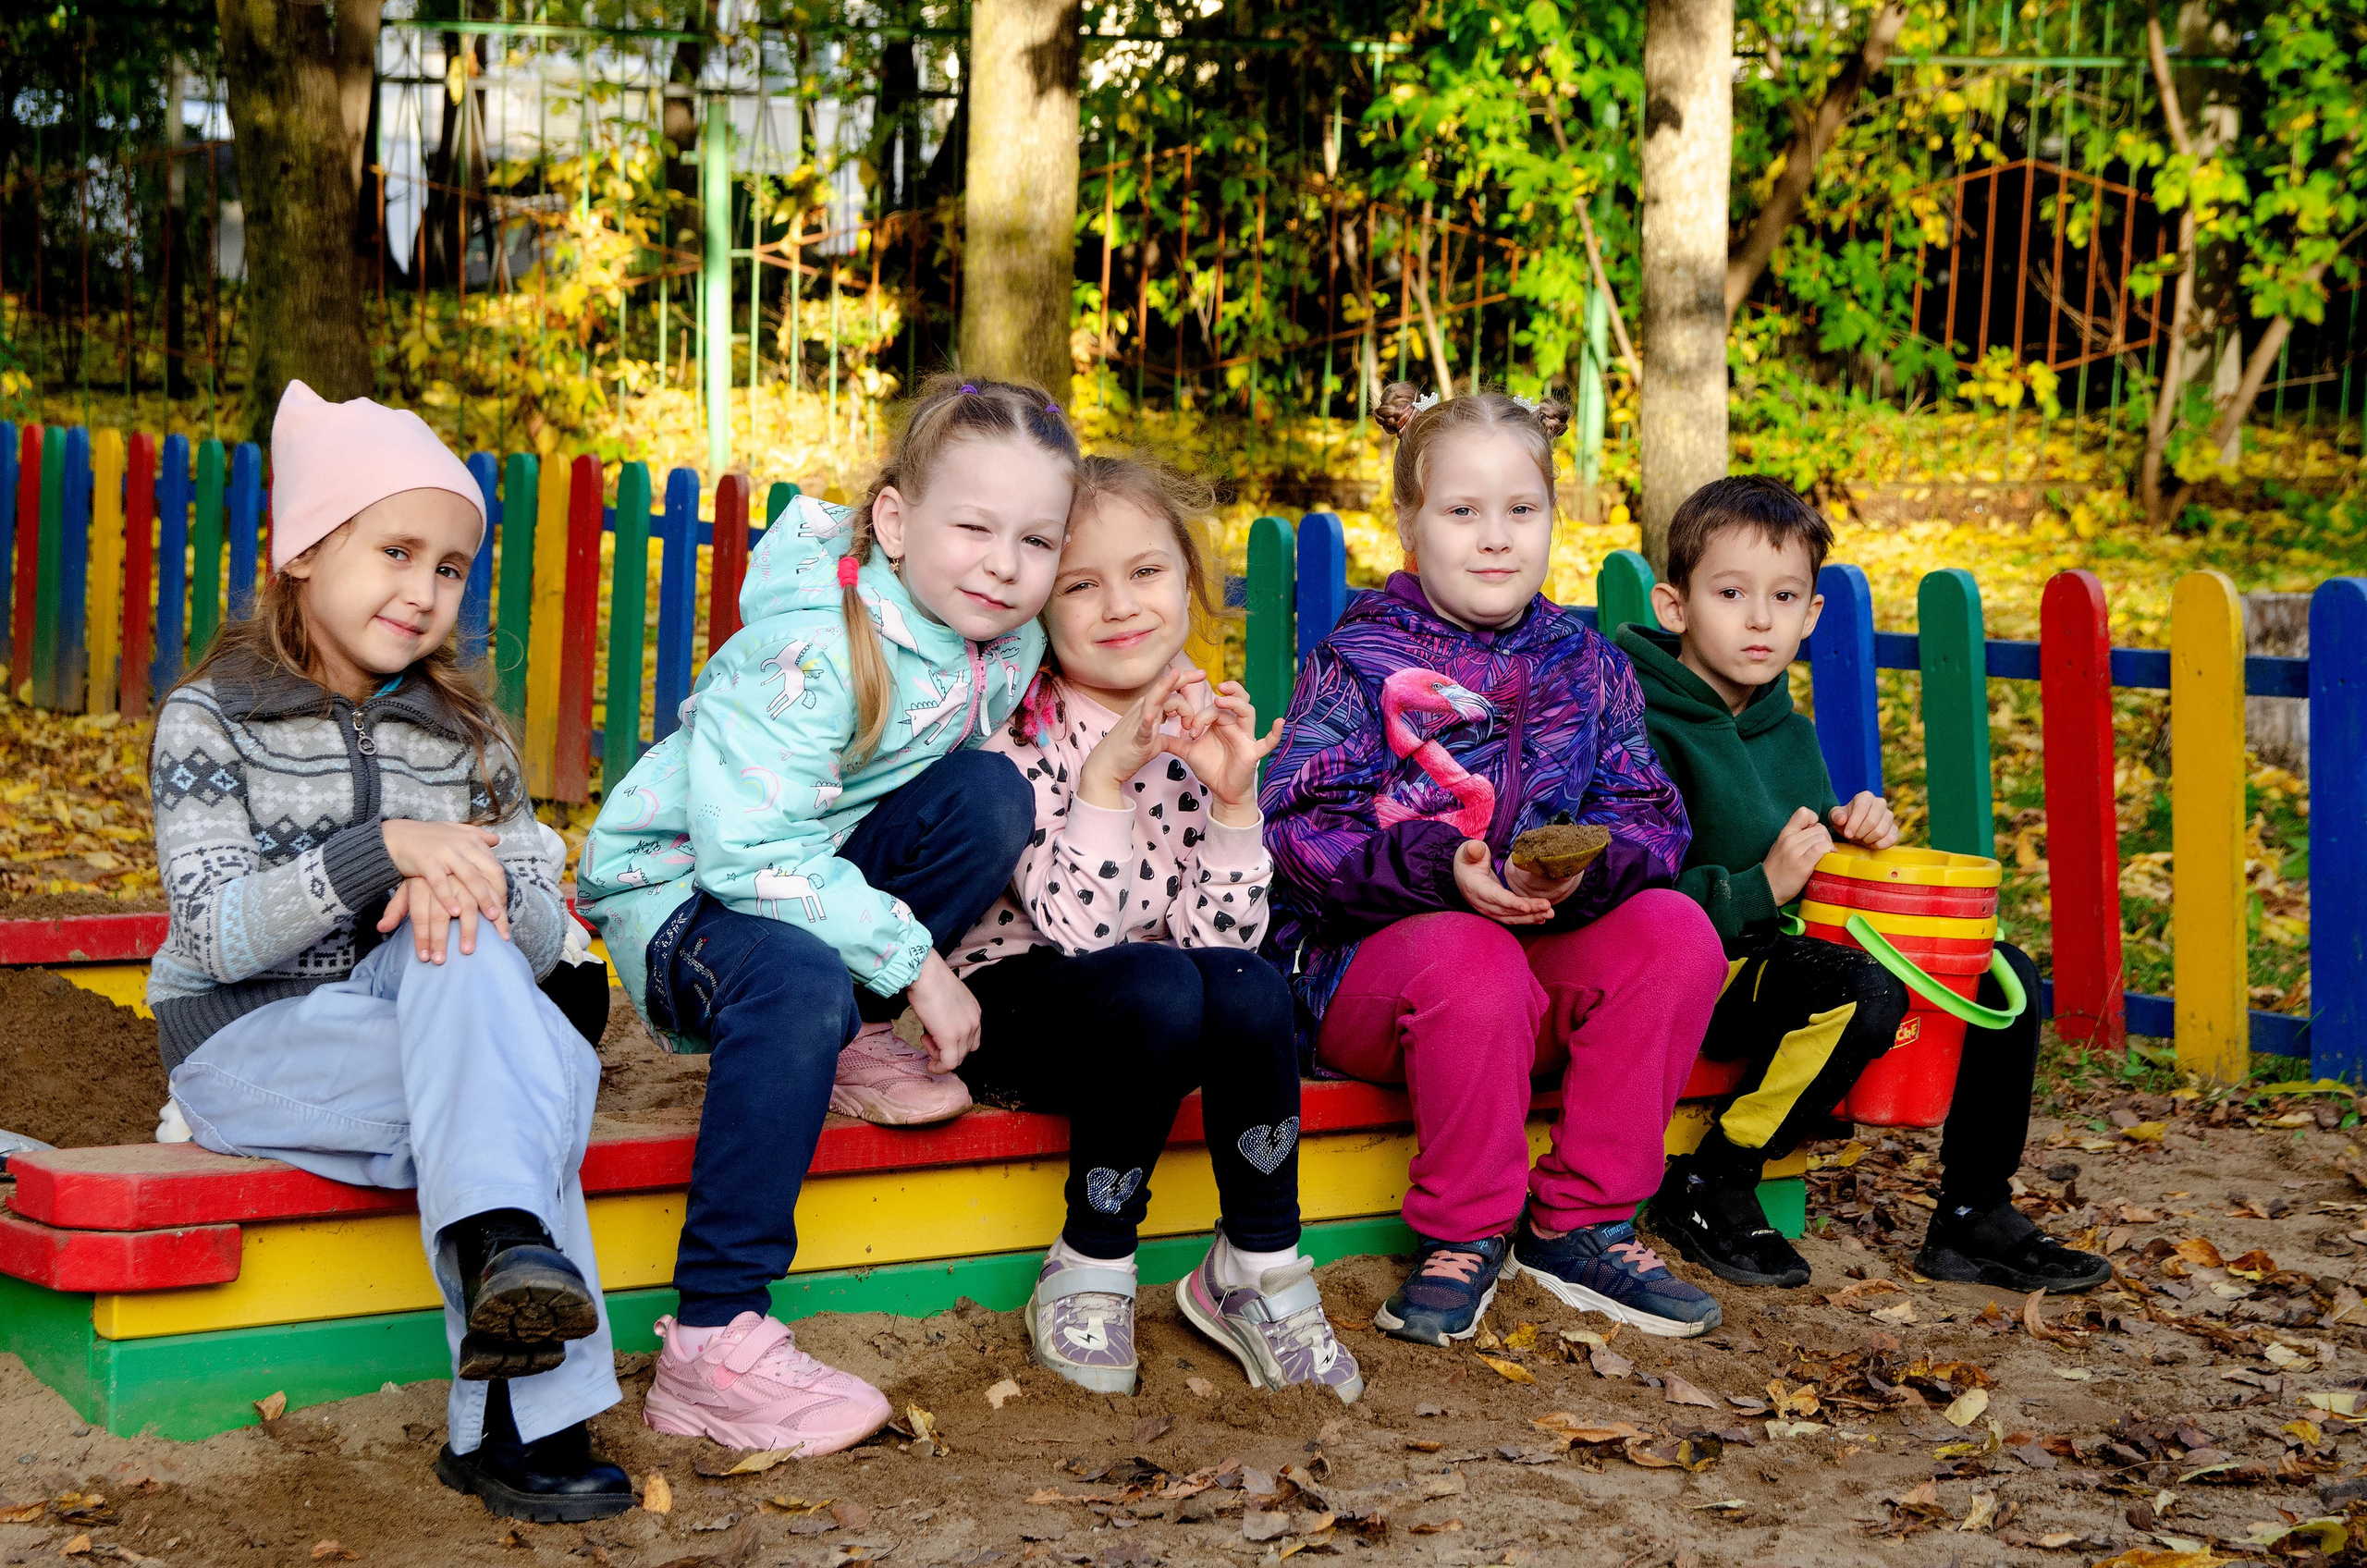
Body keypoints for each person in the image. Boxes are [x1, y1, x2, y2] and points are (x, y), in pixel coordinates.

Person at [149, 382, 630, 1521]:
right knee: (523, 1082)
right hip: (252, 1042)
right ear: (307, 550)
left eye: (451, 567)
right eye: (396, 551)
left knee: (463, 942)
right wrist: (383, 852)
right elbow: (214, 935)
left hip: (431, 1026)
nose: (423, 591)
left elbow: (541, 915)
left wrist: (454, 878)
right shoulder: (212, 719)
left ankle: (504, 1253)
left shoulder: (464, 734)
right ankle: (525, 1414)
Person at [579, 376, 1073, 1455]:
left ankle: (832, 1046)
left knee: (992, 798)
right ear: (893, 522)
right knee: (799, 984)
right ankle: (711, 1339)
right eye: (973, 527)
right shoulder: (812, 654)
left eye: (1036, 540)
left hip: (802, 875)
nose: (1004, 562)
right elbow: (748, 851)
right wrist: (911, 964)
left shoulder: (995, 637)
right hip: (684, 894)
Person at [1259, 383, 1730, 1346]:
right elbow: (1294, 828)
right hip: (1376, 977)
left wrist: (1579, 873)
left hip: (1533, 961)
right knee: (1469, 958)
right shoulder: (1356, 661)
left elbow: (1645, 808)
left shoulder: (1587, 663)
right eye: (1461, 511)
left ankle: (1581, 1220)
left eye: (1521, 510)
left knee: (1676, 931)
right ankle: (1464, 1229)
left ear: (1554, 518)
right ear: (1407, 523)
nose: (1494, 537)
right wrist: (1442, 869)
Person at [1617, 474, 2109, 1294]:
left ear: (1813, 615)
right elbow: (1632, 895)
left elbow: (1807, 871)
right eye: (1731, 593)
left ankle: (1972, 1214)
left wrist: (1847, 839)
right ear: (1676, 607)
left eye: (1784, 597)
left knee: (2004, 973)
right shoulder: (1637, 721)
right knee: (1856, 992)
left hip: (1786, 959)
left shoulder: (1789, 731)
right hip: (1692, 975)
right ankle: (1713, 1179)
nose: (1760, 619)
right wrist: (1760, 885)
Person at [953, 456, 1362, 1403]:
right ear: (1039, 611)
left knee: (1250, 983)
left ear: (1187, 578)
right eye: (1080, 585)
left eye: (1145, 572)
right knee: (1156, 982)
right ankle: (1090, 1256)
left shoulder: (1195, 713)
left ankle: (1256, 1264)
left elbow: (1222, 941)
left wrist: (1231, 802)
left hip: (1153, 1010)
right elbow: (1074, 932)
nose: (1119, 606)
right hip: (1020, 1003)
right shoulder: (1021, 729)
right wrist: (1102, 779)